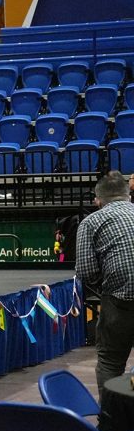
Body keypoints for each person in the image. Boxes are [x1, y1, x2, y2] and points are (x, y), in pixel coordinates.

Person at [75, 171, 134, 402]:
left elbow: (86, 272)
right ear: (128, 194)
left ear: (97, 200)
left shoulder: (91, 222)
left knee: (110, 362)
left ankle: (112, 420)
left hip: (120, 301)